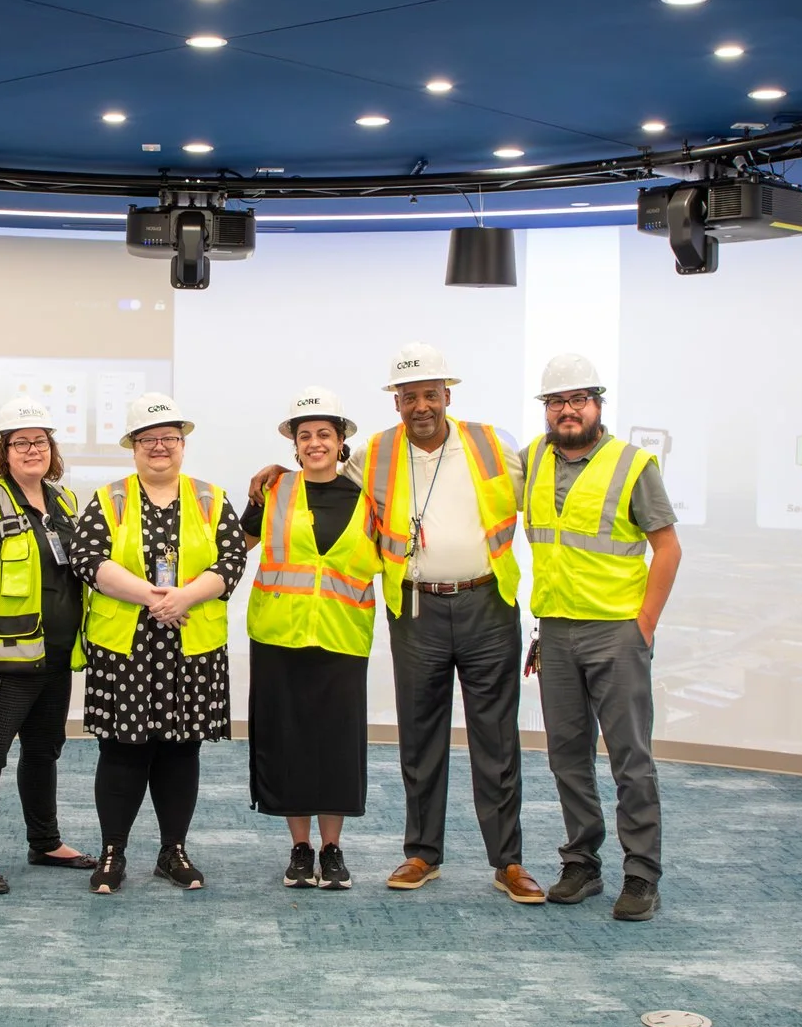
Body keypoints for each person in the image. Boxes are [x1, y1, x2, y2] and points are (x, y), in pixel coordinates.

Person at [351, 342, 544, 905]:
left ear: (447, 396)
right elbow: (326, 479)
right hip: (416, 609)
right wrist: (275, 472)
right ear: (396, 403)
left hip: (487, 604)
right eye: (409, 396)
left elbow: (543, 488)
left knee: (497, 739)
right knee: (420, 736)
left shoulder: (491, 443)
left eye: (430, 395)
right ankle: (422, 854)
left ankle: (508, 861)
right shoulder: (375, 453)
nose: (420, 406)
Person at [522, 354, 683, 922]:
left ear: (597, 404)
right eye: (556, 402)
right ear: (546, 409)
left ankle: (641, 874)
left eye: (578, 399)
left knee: (630, 759)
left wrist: (643, 627)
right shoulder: (533, 460)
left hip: (616, 633)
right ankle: (582, 863)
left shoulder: (633, 465)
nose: (567, 410)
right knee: (567, 756)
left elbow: (668, 548)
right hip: (558, 632)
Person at [74, 392, 245, 895]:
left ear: (183, 444)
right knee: (122, 751)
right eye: (148, 439)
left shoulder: (210, 497)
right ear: (132, 446)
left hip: (190, 645)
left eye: (169, 438)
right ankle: (113, 853)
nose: (159, 447)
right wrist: (154, 598)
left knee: (180, 750)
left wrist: (183, 597)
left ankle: (173, 852)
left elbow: (230, 561)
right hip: (126, 647)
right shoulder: (110, 497)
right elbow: (89, 559)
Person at [0, 397, 95, 893]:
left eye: (40, 441)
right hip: (3, 661)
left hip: (54, 657)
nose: (32, 449)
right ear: (3, 451)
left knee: (44, 751)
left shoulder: (65, 503)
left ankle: (45, 841)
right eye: (20, 442)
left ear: (51, 449)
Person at [242, 387, 378, 890]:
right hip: (279, 637)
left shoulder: (368, 498)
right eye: (305, 436)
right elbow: (234, 549)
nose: (315, 442)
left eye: (325, 434)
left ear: (341, 442)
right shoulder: (273, 492)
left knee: (336, 746)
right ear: (294, 446)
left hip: (342, 638)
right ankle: (300, 849)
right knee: (288, 743)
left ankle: (333, 848)